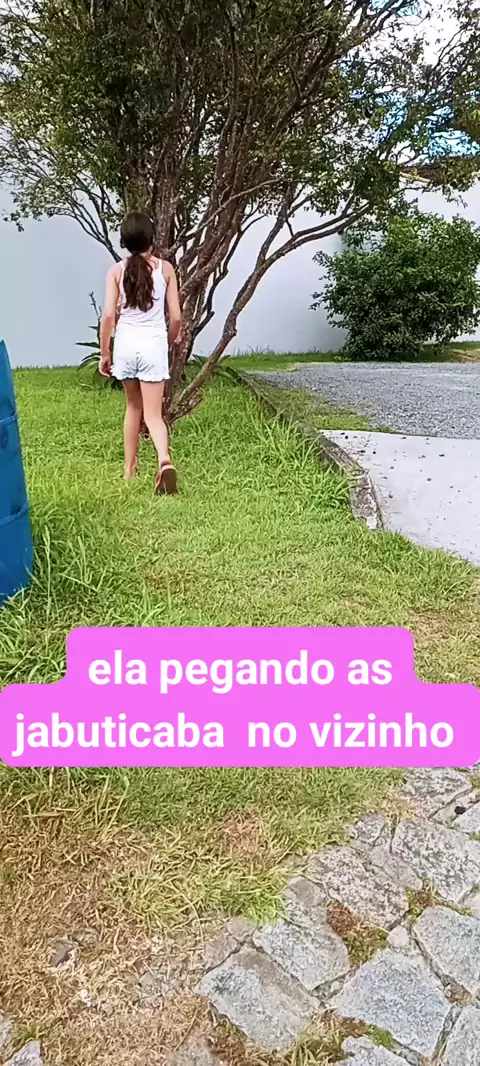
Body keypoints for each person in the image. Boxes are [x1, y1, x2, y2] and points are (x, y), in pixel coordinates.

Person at [99, 212, 182, 494]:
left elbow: (108, 316)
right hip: (153, 346)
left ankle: (129, 471)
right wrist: (168, 341)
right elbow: (176, 317)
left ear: (124, 241)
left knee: (133, 408)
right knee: (154, 415)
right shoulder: (165, 269)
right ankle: (164, 460)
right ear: (151, 239)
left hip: (125, 346)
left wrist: (104, 353)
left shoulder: (115, 271)